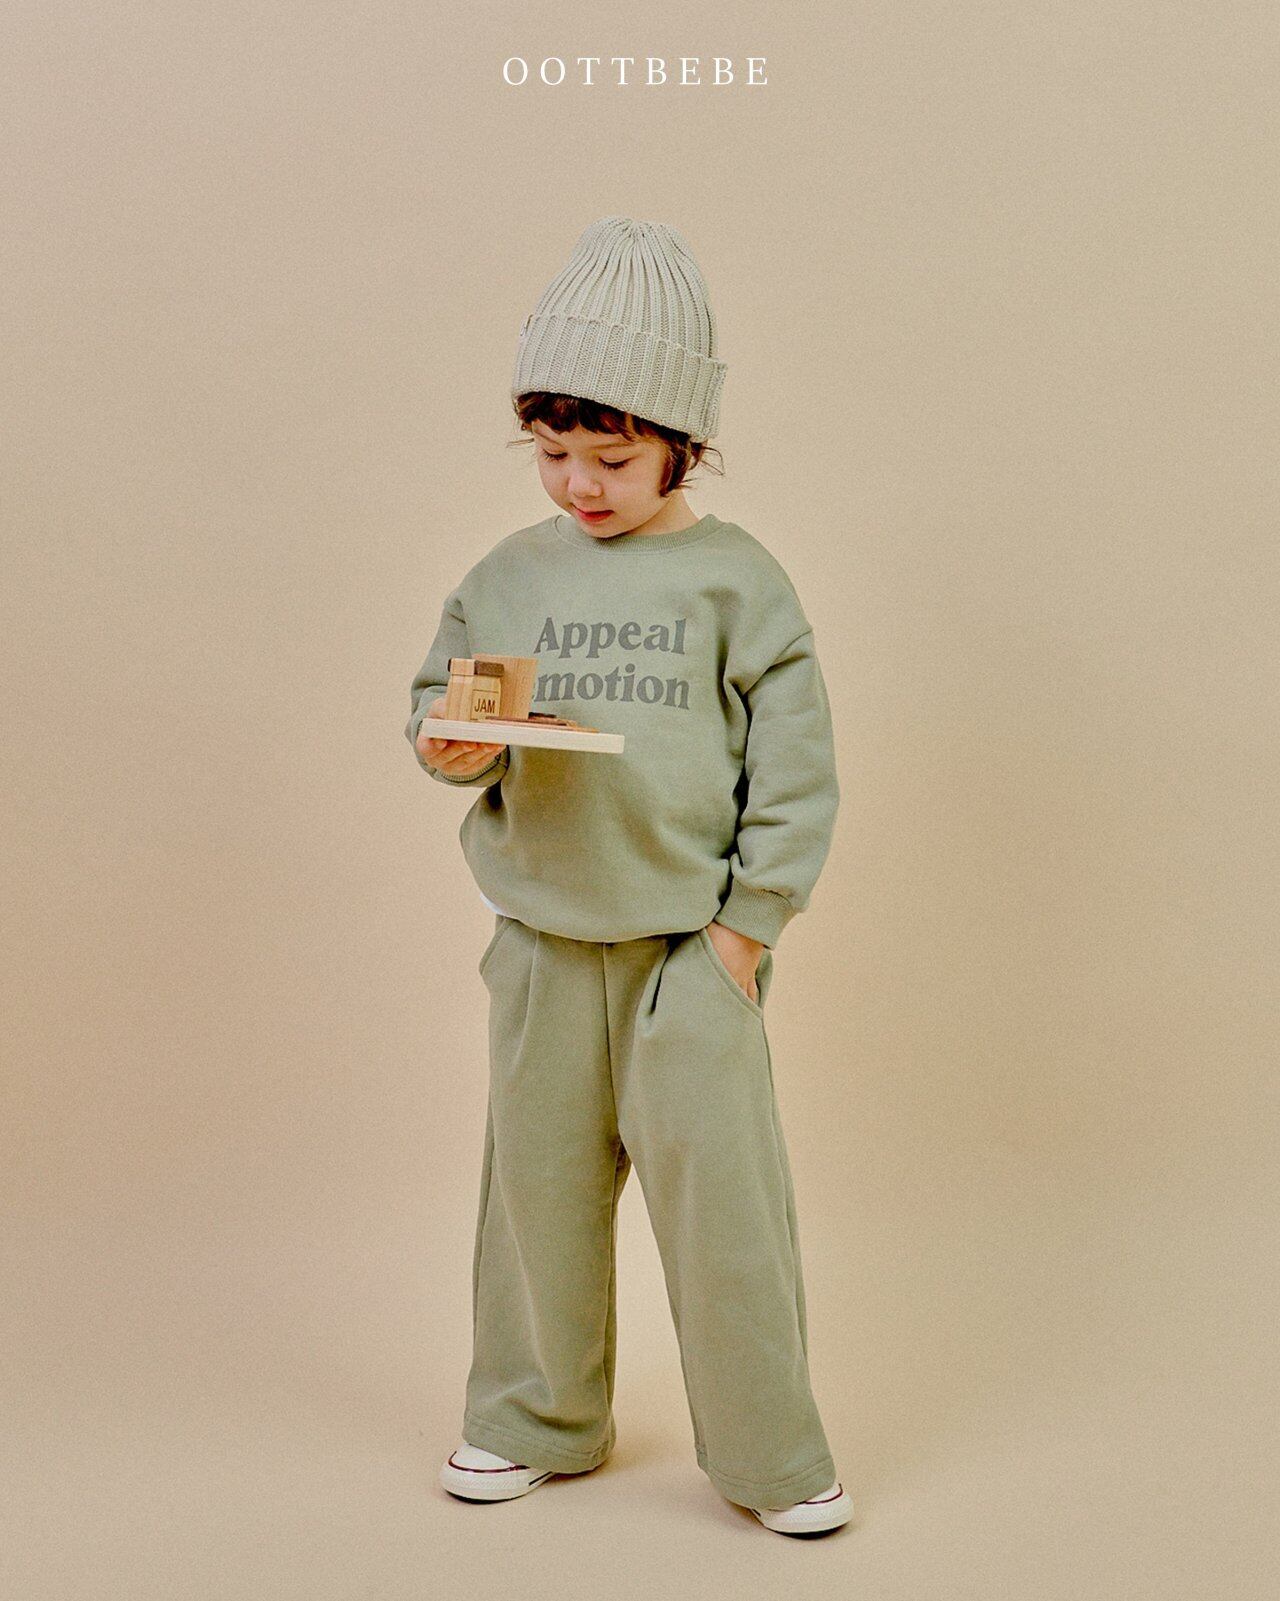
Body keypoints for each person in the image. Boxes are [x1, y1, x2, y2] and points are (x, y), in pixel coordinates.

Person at [405, 216, 852, 1538]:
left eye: (612, 457)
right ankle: (533, 1417)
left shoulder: (737, 584)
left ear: (681, 442)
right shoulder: (506, 576)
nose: (580, 485)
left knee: (728, 1218)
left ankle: (771, 1454)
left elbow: (796, 776)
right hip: (542, 945)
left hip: (686, 957)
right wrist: (449, 742)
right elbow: (443, 706)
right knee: (532, 1201)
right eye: (554, 454)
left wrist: (745, 932)